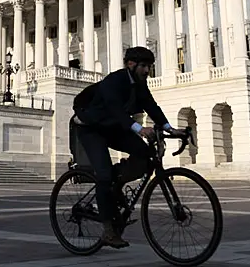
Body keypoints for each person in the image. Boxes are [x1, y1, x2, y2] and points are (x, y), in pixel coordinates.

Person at [72, 46, 185, 248]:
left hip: (114, 127)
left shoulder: (140, 84)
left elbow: (151, 105)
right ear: (131, 64)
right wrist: (139, 129)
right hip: (91, 128)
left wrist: (169, 128)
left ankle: (116, 182)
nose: (147, 71)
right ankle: (108, 230)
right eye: (143, 66)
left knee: (145, 154)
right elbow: (115, 109)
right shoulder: (115, 81)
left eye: (149, 66)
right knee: (104, 175)